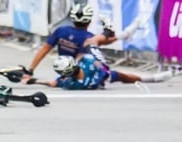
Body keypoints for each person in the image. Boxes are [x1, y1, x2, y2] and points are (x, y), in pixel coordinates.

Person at [26, 51, 173, 90]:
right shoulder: (86, 65)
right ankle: (154, 78)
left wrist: (33, 81)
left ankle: (154, 78)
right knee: (122, 75)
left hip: (100, 76)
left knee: (121, 75)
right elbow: (99, 64)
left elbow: (52, 83)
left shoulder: (69, 83)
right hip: (102, 76)